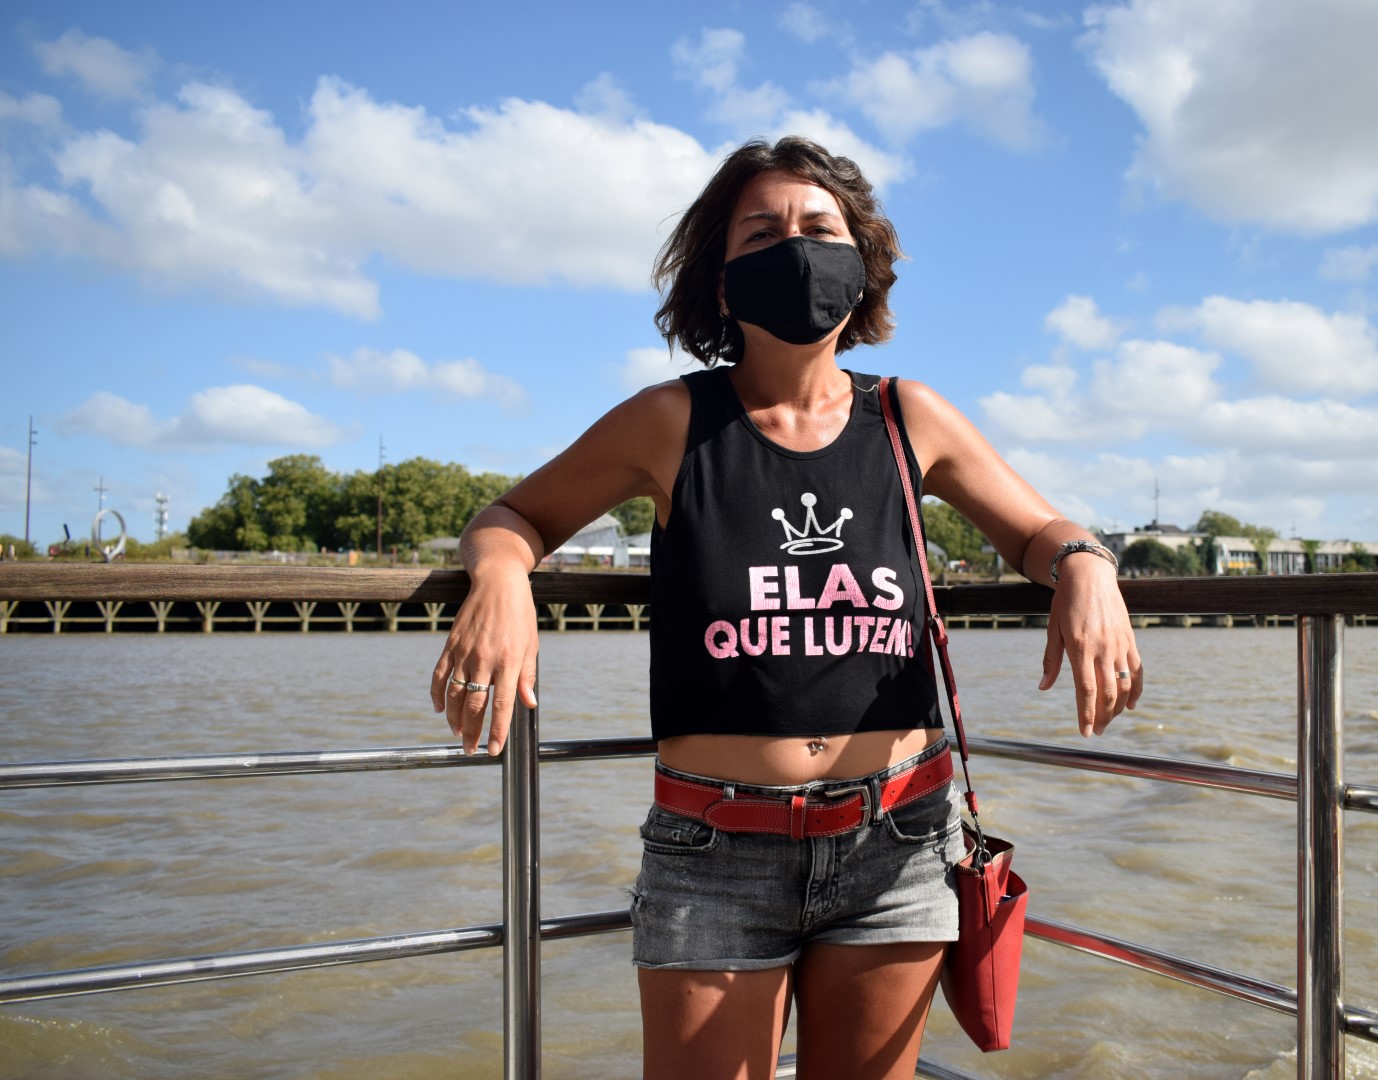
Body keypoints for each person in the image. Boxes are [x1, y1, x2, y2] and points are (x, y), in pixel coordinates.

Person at [431, 136, 1143, 1080]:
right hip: (715, 847)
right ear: (723, 282)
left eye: (819, 228)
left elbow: (1038, 530)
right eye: (762, 232)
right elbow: (513, 516)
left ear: (861, 266)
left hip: (898, 841)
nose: (796, 247)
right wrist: (501, 578)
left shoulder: (909, 417)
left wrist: (1088, 567)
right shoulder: (670, 422)